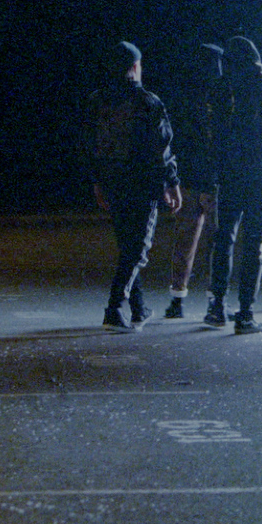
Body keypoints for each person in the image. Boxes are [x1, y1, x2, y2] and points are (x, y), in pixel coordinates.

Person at [85, 40, 182, 332]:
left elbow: (91, 146)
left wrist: (97, 181)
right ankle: (114, 308)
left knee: (127, 244)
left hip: (112, 181)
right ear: (135, 67)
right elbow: (161, 146)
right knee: (138, 248)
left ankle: (139, 308)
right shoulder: (148, 101)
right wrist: (172, 182)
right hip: (142, 182)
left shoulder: (97, 101)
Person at [202, 35, 262, 335]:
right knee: (255, 242)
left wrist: (211, 174)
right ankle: (245, 314)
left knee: (224, 237)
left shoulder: (220, 88)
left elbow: (213, 137)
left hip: (230, 172)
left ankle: (216, 307)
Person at [162, 43, 224, 320]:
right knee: (216, 243)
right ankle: (215, 301)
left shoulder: (183, 98)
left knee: (184, 242)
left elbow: (174, 141)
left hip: (188, 179)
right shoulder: (224, 98)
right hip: (214, 181)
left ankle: (177, 300)